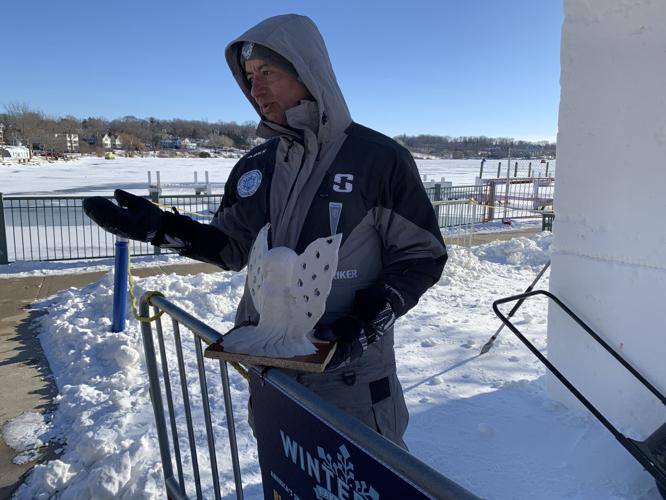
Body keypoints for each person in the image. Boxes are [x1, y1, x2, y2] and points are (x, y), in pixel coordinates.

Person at [83, 14, 447, 448]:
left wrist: (369, 320)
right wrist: (165, 228)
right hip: (270, 369)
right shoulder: (256, 165)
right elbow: (233, 248)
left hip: (350, 378)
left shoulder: (379, 160)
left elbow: (421, 255)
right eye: (250, 76)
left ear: (308, 71)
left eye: (268, 73)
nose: (255, 89)